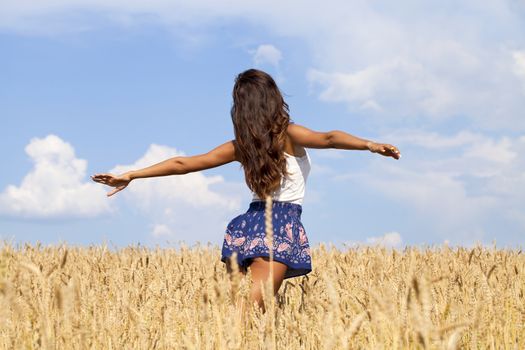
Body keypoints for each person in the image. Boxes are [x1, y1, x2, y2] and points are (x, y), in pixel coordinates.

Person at [91, 68, 401, 312]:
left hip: (247, 226)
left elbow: (184, 163)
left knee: (242, 311)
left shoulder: (242, 147)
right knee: (248, 313)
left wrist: (131, 174)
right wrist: (370, 145)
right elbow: (329, 138)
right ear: (273, 98)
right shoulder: (288, 134)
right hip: (278, 226)